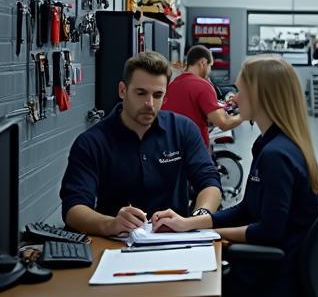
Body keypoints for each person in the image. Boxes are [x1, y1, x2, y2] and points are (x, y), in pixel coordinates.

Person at [153, 56, 318, 297]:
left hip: (281, 284)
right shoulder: (269, 145)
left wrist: (209, 233)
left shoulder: (278, 155)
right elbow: (247, 210)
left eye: (241, 89)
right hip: (277, 275)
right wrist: (190, 223)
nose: (233, 95)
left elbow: (269, 231)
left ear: (261, 94)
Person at [61, 52, 222, 237]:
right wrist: (110, 224)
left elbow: (209, 183)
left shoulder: (184, 130)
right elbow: (73, 208)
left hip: (175, 243)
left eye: (158, 95)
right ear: (123, 90)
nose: (149, 104)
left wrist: (195, 220)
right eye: (141, 93)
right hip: (114, 246)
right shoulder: (92, 143)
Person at [163, 44, 245, 148]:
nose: (210, 70)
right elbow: (224, 123)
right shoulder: (203, 85)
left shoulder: (172, 84)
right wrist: (245, 115)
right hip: (194, 151)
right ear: (203, 62)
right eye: (210, 66)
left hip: (171, 148)